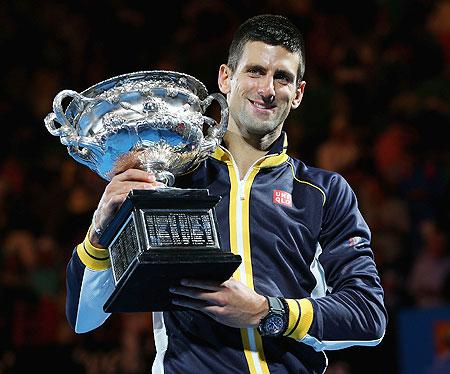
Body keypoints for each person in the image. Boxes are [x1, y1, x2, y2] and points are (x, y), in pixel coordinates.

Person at [66, 14, 387, 373]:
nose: (267, 89)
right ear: (225, 78)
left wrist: (268, 312)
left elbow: (368, 315)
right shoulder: (170, 181)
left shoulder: (323, 193)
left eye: (282, 77)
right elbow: (84, 317)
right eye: (254, 71)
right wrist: (99, 230)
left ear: (297, 94)